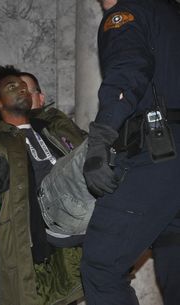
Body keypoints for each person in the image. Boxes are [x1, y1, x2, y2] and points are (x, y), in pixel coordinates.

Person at [0, 65, 92, 305]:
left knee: (99, 146)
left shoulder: (53, 125)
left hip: (79, 214)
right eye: (12, 87)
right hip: (42, 219)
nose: (22, 89)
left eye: (23, 86)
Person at [81, 1, 180, 304]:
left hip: (158, 155)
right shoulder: (170, 14)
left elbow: (127, 71)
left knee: (102, 266)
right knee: (175, 260)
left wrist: (101, 138)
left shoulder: (126, 13)